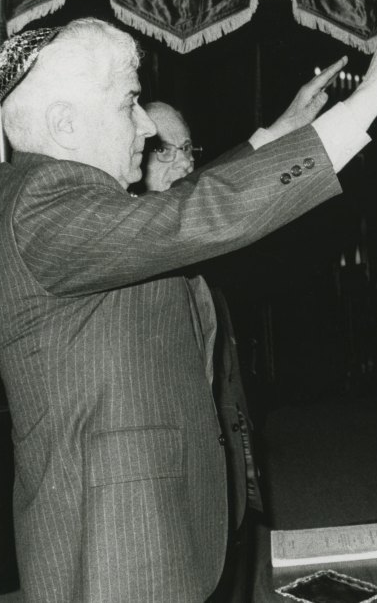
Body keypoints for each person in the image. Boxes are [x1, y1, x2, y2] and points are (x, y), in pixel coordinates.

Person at [0, 0, 377, 603]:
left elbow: (178, 204)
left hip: (137, 521)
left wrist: (277, 136)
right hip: (115, 541)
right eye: (128, 103)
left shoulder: (48, 199)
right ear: (65, 125)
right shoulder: (41, 201)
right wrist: (366, 104)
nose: (146, 126)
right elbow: (189, 217)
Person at [140, 100, 263, 602]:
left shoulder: (192, 243)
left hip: (219, 462)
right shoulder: (127, 243)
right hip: (160, 482)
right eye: (169, 150)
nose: (187, 164)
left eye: (190, 150)